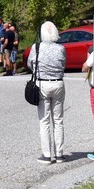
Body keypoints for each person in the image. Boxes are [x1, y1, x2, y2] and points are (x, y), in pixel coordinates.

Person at [27, 21, 67, 164]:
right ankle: (60, 153)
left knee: (44, 121)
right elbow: (63, 65)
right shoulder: (61, 48)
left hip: (43, 83)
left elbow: (29, 64)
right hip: (58, 83)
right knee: (58, 120)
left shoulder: (36, 47)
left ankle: (47, 154)